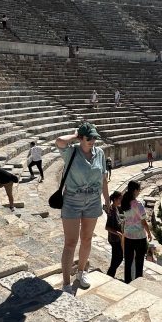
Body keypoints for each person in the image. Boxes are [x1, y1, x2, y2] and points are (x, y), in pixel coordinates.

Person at [54, 122, 109, 292]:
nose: (93, 141)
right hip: (72, 201)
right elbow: (59, 141)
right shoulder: (71, 152)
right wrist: (75, 135)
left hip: (93, 200)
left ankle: (81, 271)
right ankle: (66, 283)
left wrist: (107, 200)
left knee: (87, 239)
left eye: (94, 138)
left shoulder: (99, 153)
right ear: (81, 138)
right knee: (70, 242)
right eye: (89, 138)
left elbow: (103, 178)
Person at [121, 180, 152, 284]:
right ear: (135, 190)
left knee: (128, 261)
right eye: (139, 190)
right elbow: (143, 222)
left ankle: (127, 282)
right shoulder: (138, 204)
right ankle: (138, 283)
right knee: (139, 262)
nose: (139, 191)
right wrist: (149, 233)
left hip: (128, 236)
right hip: (139, 237)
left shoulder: (124, 202)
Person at [104, 190, 125, 278]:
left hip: (116, 239)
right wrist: (119, 234)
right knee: (118, 258)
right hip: (114, 239)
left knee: (117, 258)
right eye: (120, 199)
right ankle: (110, 275)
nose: (121, 200)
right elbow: (107, 227)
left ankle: (111, 274)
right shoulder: (112, 210)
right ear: (115, 199)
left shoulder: (115, 208)